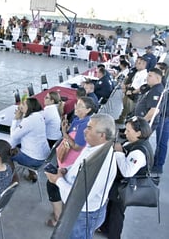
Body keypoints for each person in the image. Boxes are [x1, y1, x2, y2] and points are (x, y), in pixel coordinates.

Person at [45, 113, 117, 239]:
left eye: (89, 128)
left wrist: (58, 180)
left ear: (102, 135)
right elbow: (79, 165)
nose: (84, 130)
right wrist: (66, 170)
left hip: (83, 213)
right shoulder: (93, 146)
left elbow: (82, 197)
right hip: (76, 210)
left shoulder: (101, 164)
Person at [45, 96, 97, 227]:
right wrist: (66, 129)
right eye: (76, 104)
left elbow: (77, 146)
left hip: (70, 162)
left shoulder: (85, 124)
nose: (76, 108)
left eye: (80, 106)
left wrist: (64, 132)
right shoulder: (77, 119)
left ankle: (58, 217)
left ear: (88, 110)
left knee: (52, 185)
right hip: (63, 157)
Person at [100, 116, 153, 238]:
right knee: (111, 206)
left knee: (117, 212)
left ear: (139, 133)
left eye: (129, 131)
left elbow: (127, 172)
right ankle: (105, 228)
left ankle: (114, 235)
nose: (125, 133)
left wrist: (118, 152)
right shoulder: (137, 142)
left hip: (126, 187)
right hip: (120, 185)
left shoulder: (138, 152)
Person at [10, 97, 50, 182]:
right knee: (22, 145)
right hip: (45, 156)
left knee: (7, 152)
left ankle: (14, 180)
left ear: (30, 107)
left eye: (23, 104)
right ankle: (32, 175)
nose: (21, 106)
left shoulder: (28, 121)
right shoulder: (38, 115)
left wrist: (15, 119)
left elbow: (13, 136)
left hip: (34, 160)